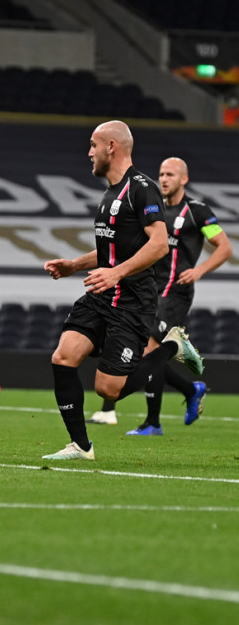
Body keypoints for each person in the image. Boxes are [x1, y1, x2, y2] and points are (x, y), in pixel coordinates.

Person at [42, 122, 203, 460]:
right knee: (63, 356)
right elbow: (110, 253)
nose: (89, 152)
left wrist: (116, 273)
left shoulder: (141, 189)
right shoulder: (110, 192)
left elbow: (159, 245)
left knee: (108, 389)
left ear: (111, 147)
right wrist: (75, 264)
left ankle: (170, 347)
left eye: (93, 145)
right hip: (102, 295)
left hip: (132, 302)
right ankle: (81, 446)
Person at [89, 157, 231, 435]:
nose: (164, 178)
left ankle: (153, 421)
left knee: (149, 350)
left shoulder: (198, 212)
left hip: (175, 291)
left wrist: (199, 270)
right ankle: (189, 390)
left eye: (170, 174)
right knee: (148, 354)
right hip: (148, 290)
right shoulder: (153, 208)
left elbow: (224, 247)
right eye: (161, 174)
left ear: (184, 179)